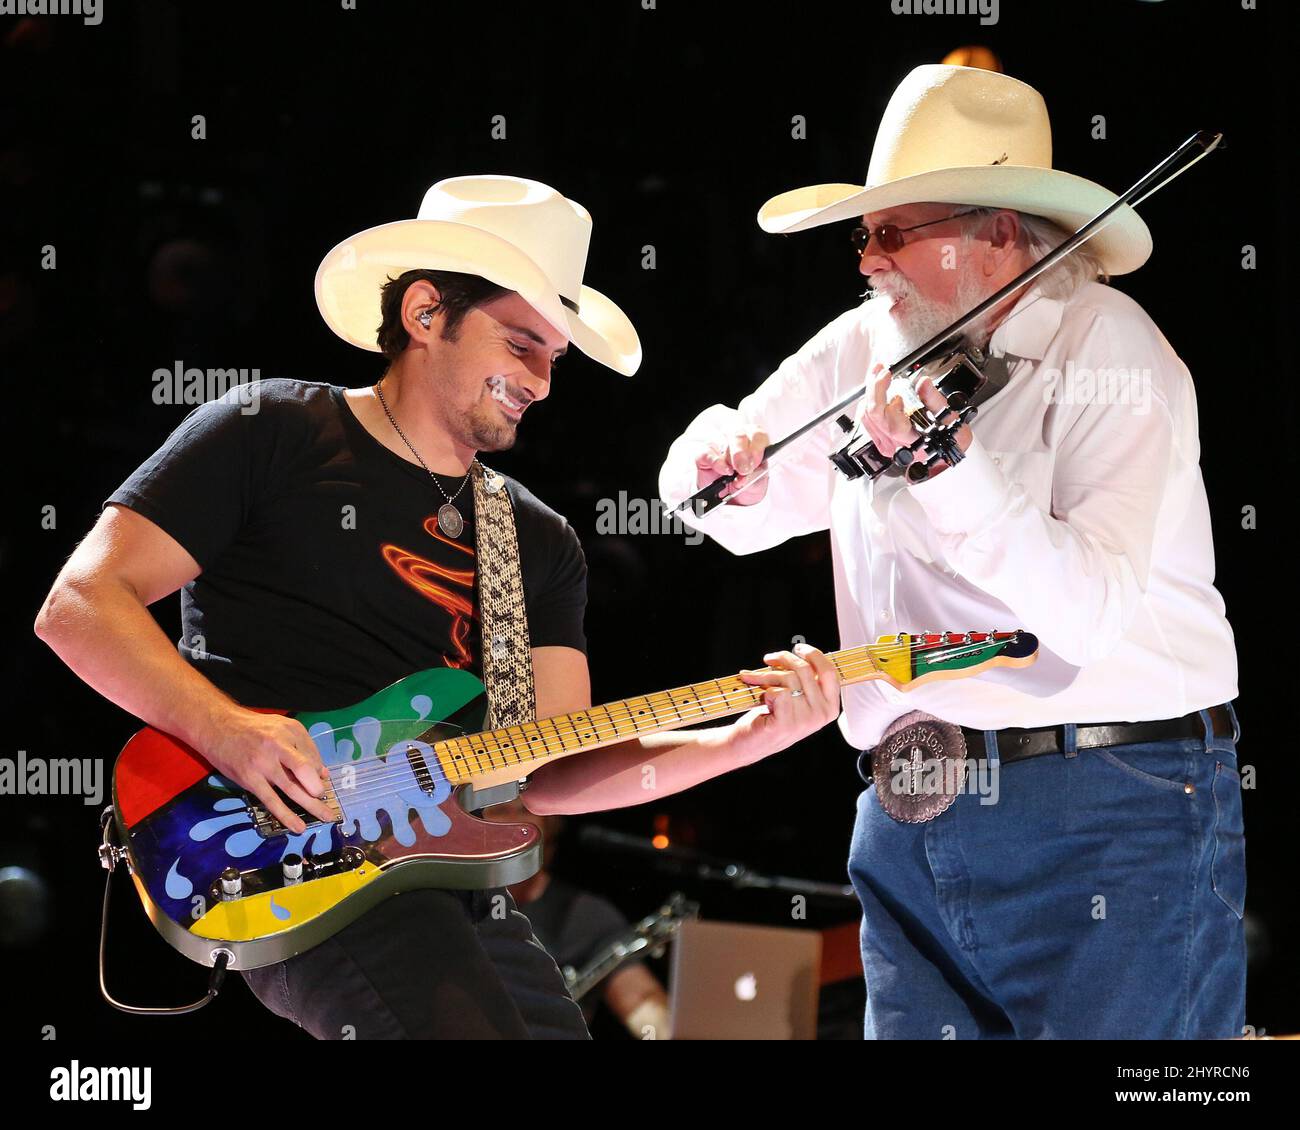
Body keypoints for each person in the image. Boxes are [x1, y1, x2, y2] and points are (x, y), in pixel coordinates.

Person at [34, 175, 841, 1039]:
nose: (540, 380)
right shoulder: (270, 428)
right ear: (425, 313)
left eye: (555, 358)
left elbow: (549, 768)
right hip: (279, 846)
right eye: (520, 343)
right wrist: (231, 729)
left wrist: (744, 739)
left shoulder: (536, 541)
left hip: (445, 877)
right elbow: (80, 605)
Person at [658, 65, 1246, 1040]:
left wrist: (947, 469)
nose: (868, 261)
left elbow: (1086, 610)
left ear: (999, 235)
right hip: (908, 810)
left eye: (897, 233)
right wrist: (724, 462)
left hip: (1107, 807)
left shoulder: (1112, 352)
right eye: (865, 236)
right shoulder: (867, 343)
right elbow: (711, 495)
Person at [483, 797, 671, 1039]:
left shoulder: (583, 914)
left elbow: (641, 1000)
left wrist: (666, 1030)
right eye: (499, 811)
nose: (514, 824)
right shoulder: (446, 904)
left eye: (525, 810)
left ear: (547, 824)